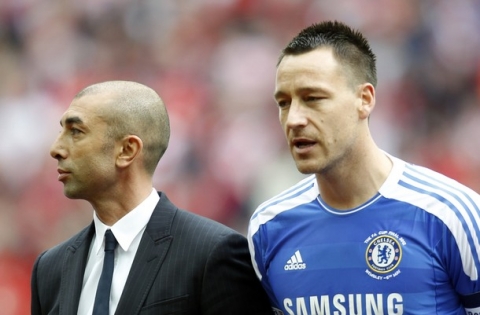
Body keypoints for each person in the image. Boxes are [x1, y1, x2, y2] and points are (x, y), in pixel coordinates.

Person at [247, 20, 480, 315]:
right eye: (284, 103)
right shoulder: (268, 228)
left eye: (312, 98)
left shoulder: (451, 213)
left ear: (364, 99)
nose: (293, 119)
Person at [31, 80, 274, 315]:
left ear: (127, 150)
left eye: (76, 131)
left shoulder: (212, 253)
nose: (56, 148)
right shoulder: (50, 269)